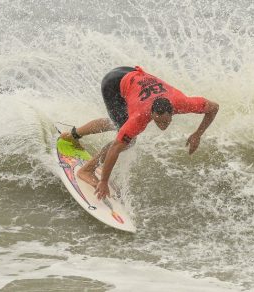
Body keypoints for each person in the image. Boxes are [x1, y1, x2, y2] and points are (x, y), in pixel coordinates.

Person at [60, 66, 219, 200]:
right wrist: (104, 181)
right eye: (158, 120)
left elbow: (214, 107)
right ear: (152, 113)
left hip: (131, 75)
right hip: (114, 84)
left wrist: (198, 133)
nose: (162, 125)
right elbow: (115, 148)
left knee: (119, 125)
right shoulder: (139, 117)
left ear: (173, 112)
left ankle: (72, 135)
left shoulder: (183, 103)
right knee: (127, 139)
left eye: (165, 121)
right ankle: (87, 170)